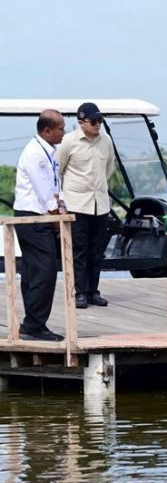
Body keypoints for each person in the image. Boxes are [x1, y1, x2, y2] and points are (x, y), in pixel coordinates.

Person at [13, 109, 67, 341]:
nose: (63, 132)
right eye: (61, 128)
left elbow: (55, 186)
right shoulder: (36, 153)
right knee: (44, 271)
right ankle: (33, 325)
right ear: (47, 130)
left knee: (35, 271)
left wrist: (61, 206)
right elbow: (44, 192)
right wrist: (57, 222)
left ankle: (33, 324)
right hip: (34, 216)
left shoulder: (49, 151)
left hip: (42, 215)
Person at [56, 102, 115, 309]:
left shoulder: (106, 141)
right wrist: (62, 200)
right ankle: (79, 292)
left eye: (100, 120)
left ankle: (93, 291)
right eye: (94, 120)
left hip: (100, 203)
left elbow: (109, 168)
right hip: (77, 204)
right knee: (79, 249)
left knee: (97, 250)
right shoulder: (68, 142)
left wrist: (98, 188)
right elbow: (58, 170)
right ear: (81, 122)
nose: (98, 124)